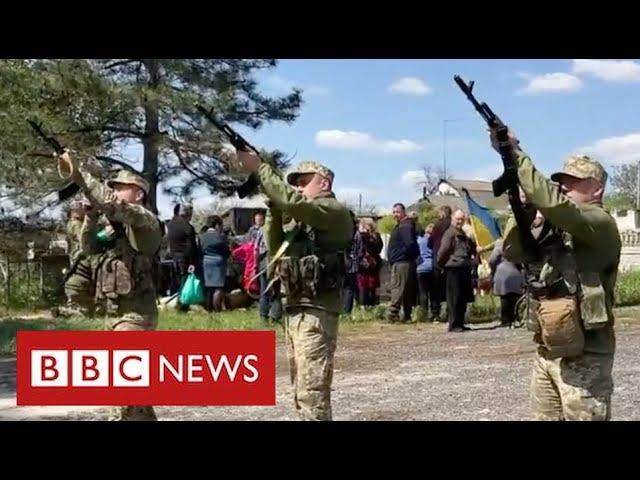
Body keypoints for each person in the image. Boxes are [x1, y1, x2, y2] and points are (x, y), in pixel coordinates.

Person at [491, 127, 620, 421]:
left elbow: (554, 204)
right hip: (549, 349)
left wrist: (515, 153)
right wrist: (520, 209)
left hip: (586, 356)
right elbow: (515, 252)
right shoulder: (559, 225)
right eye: (561, 182)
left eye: (573, 182)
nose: (564, 186)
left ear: (596, 188)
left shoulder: (599, 222)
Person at [235, 149, 353, 421]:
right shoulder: (303, 217)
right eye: (295, 183)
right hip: (295, 308)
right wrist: (275, 211)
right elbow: (275, 246)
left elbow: (297, 204)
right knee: (299, 387)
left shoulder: (332, 210)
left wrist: (262, 169)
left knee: (312, 390)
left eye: (304, 181)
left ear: (324, 182)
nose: (298, 186)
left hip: (317, 311)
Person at [57, 151, 162, 421]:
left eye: (120, 188)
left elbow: (114, 205)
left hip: (136, 317)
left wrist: (79, 173)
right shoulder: (114, 228)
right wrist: (91, 218)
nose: (113, 191)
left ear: (139, 194)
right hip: (113, 315)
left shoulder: (145, 220)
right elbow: (89, 247)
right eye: (112, 188)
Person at [437, 209, 476, 332]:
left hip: (463, 267)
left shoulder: (463, 233)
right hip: (453, 268)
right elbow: (443, 251)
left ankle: (460, 322)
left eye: (462, 219)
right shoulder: (450, 233)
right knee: (454, 298)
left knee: (462, 298)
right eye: (458, 219)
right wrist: (441, 264)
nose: (460, 221)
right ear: (453, 219)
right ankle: (454, 324)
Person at [386, 203, 420, 322]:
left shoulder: (405, 226)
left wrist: (403, 254)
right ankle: (407, 315)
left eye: (397, 212)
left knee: (398, 288)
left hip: (402, 261)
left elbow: (409, 243)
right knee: (405, 289)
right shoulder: (403, 225)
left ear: (403, 212)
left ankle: (393, 314)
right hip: (402, 261)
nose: (395, 214)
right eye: (394, 212)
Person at [62, 198, 94, 317]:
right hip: (80, 256)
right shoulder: (76, 224)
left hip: (76, 256)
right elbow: (84, 240)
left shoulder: (71, 223)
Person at [166, 203, 199, 309]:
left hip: (172, 257)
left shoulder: (170, 225)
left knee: (174, 282)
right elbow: (191, 247)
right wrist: (192, 262)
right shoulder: (188, 227)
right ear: (188, 214)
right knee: (184, 282)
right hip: (184, 259)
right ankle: (183, 305)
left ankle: (172, 303)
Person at [488, 239, 524, 327]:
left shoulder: (499, 245)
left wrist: (493, 269)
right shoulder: (516, 245)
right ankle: (513, 318)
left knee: (505, 297)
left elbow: (492, 260)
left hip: (502, 273)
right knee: (513, 297)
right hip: (515, 272)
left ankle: (505, 320)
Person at [199, 215, 231, 312]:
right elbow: (227, 251)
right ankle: (217, 309)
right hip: (218, 263)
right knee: (218, 287)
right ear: (216, 225)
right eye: (221, 225)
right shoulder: (221, 237)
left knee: (208, 287)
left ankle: (209, 309)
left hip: (205, 262)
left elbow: (199, 250)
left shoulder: (202, 237)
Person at [427, 205, 452, 322]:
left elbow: (430, 242)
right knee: (449, 288)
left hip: (437, 259)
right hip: (450, 259)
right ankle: (449, 312)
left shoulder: (437, 225)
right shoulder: (452, 225)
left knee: (435, 288)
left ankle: (435, 313)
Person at [357, 218, 383, 307]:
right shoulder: (361, 236)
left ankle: (370, 305)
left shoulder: (375, 236)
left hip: (371, 264)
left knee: (371, 287)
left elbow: (378, 248)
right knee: (365, 287)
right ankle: (366, 305)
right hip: (365, 265)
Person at [416, 223, 439, 321]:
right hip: (432, 267)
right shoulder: (435, 241)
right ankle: (435, 314)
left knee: (423, 292)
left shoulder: (419, 240)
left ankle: (423, 314)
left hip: (421, 268)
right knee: (433, 293)